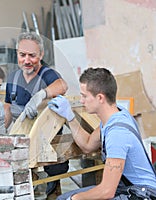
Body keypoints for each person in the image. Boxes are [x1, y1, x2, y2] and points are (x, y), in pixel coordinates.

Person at [48, 67, 156, 200]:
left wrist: (74, 199)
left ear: (100, 98)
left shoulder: (118, 134)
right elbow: (88, 145)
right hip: (126, 188)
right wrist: (70, 118)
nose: (81, 101)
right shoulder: (114, 117)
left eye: (84, 96)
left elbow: (106, 191)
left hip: (142, 194)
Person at [4, 31, 69, 197]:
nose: (27, 60)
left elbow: (62, 85)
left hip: (46, 142)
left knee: (46, 185)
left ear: (41, 54)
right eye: (22, 55)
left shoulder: (47, 74)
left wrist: (41, 95)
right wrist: (1, 132)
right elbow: (7, 107)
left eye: (32, 55)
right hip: (21, 136)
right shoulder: (13, 77)